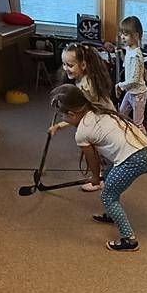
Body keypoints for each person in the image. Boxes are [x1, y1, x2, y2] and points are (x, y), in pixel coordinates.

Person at [48, 84, 147, 252]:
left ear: (72, 114)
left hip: (132, 159)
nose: (62, 118)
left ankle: (129, 240)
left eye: (62, 116)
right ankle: (112, 214)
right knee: (110, 176)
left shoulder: (82, 133)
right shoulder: (95, 110)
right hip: (143, 150)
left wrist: (96, 178)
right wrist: (60, 126)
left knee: (108, 196)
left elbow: (93, 160)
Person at [53, 43, 115, 192]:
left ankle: (98, 179)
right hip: (98, 118)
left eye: (70, 65)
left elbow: (80, 115)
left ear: (83, 65)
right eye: (64, 64)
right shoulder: (81, 80)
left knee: (92, 148)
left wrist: (60, 125)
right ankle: (103, 175)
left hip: (104, 121)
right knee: (97, 149)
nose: (66, 68)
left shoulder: (86, 87)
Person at [116, 16, 147, 129]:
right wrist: (121, 55)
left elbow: (134, 80)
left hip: (138, 94)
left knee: (137, 123)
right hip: (130, 91)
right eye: (121, 33)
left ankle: (143, 140)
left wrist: (120, 85)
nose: (122, 37)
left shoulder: (136, 55)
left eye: (125, 34)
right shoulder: (129, 49)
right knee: (121, 115)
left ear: (136, 36)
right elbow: (127, 65)